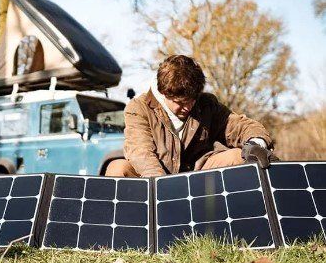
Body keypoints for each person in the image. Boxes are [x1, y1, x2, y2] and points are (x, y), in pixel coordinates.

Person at [106, 55, 277, 178]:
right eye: (180, 102)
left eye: (192, 100)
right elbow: (140, 152)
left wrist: (257, 143)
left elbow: (238, 126)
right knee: (117, 169)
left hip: (198, 177)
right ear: (164, 93)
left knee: (237, 157)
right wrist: (162, 186)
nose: (188, 107)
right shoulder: (139, 108)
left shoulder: (206, 104)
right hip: (155, 178)